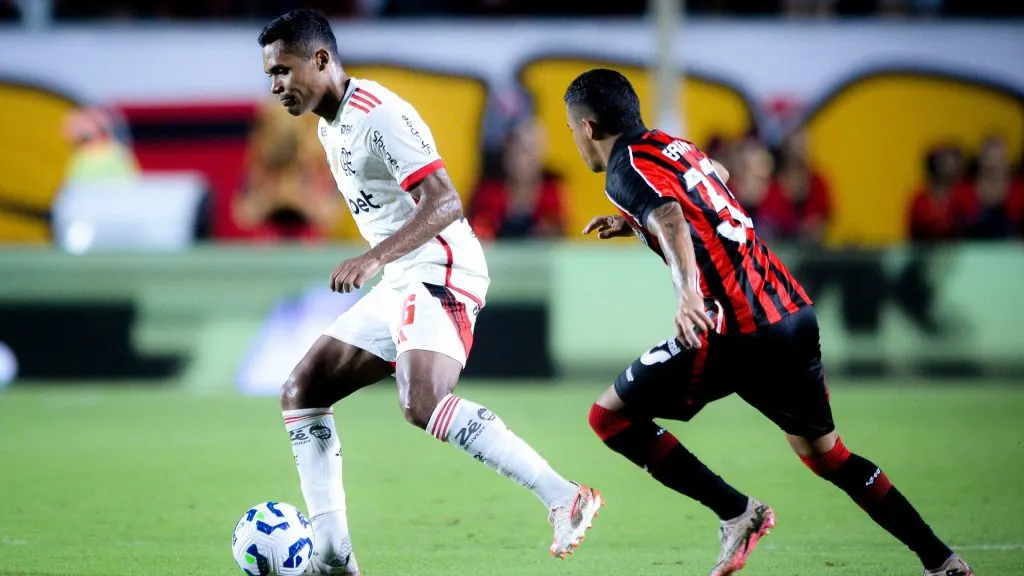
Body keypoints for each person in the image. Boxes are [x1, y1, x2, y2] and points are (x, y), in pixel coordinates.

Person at [563, 68, 973, 576]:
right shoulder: (673, 147)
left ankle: (738, 513)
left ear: (586, 128)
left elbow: (669, 213)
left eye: (571, 130)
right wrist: (633, 221)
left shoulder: (622, 168)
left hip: (734, 328)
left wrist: (687, 290)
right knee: (830, 457)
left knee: (609, 418)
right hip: (790, 313)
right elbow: (716, 178)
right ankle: (942, 561)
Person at [255, 10, 601, 575]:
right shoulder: (328, 125)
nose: (275, 86)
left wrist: (373, 257)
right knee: (302, 390)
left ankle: (565, 496)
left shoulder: (379, 115)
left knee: (422, 403)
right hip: (403, 275)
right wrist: (385, 262)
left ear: (320, 60)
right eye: (269, 75)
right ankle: (333, 558)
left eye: (283, 70)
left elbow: (445, 202)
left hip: (440, 266)